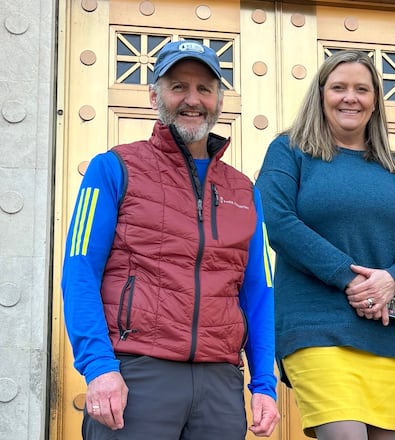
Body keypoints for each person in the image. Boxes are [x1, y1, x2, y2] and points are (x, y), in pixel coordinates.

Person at [61, 40, 280, 439]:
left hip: (219, 383)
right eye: (178, 86)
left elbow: (259, 291)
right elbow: (79, 273)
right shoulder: (112, 168)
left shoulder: (245, 191)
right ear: (154, 95)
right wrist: (99, 367)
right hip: (135, 374)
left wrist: (264, 384)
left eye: (204, 89)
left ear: (219, 101)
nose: (192, 100)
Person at [254, 50, 395, 440]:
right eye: (339, 87)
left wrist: (393, 280)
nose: (350, 98)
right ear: (321, 95)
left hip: (389, 333)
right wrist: (349, 278)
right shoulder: (290, 151)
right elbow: (277, 220)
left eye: (361, 89)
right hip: (317, 327)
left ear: (375, 101)